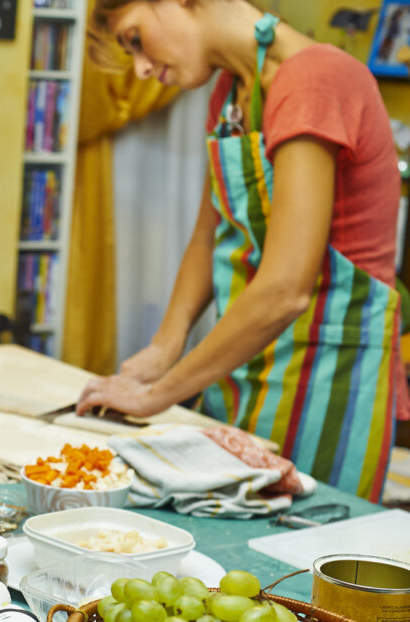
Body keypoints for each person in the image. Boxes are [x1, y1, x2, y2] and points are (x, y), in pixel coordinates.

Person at [76, 0, 409, 503]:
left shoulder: (313, 80)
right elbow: (212, 228)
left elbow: (284, 290)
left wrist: (156, 396)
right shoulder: (233, 91)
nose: (141, 68)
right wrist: (164, 349)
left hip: (328, 376)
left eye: (136, 38)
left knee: (293, 560)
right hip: (250, 363)